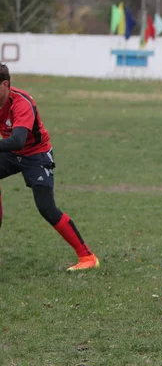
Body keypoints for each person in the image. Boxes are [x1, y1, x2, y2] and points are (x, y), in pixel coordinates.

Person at [0, 63, 99, 271]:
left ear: (5, 84)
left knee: (47, 208)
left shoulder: (21, 103)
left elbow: (18, 140)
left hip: (37, 154)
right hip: (10, 154)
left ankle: (88, 257)